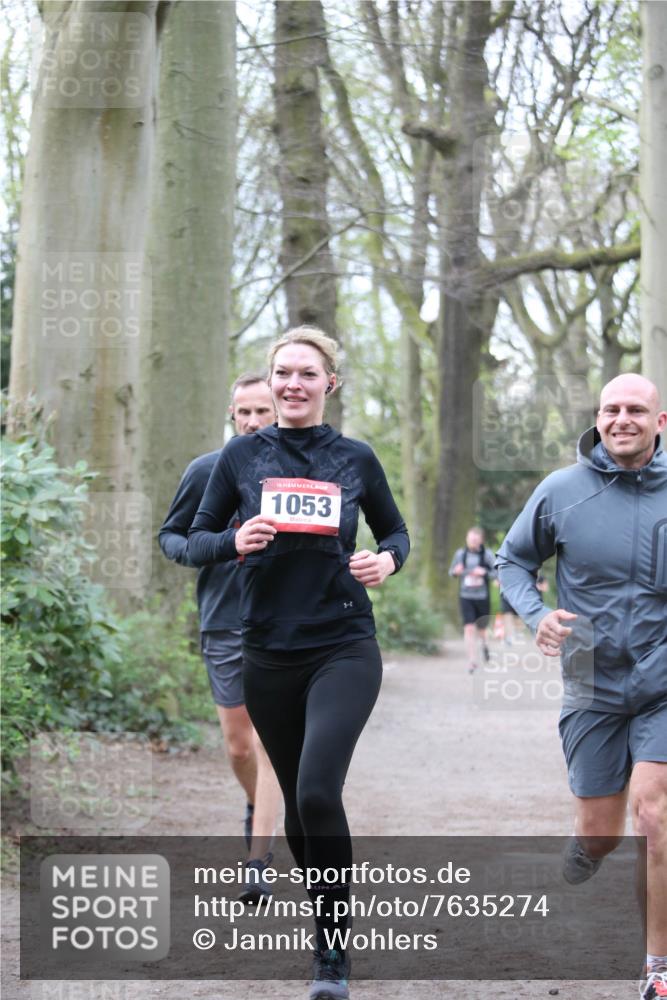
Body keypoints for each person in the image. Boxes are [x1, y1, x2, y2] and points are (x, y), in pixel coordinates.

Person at [187, 326, 409, 1000]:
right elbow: (192, 539)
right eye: (282, 372)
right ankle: (328, 916)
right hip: (266, 651)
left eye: (306, 374)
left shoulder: (355, 458)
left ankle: (331, 955)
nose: (291, 384)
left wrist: (386, 561)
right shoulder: (240, 458)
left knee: (316, 791)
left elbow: (394, 531)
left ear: (328, 384)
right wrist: (232, 539)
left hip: (342, 644)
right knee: (293, 805)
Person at [497, 373, 667, 1000]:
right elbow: (512, 560)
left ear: (660, 421)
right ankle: (590, 845)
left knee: (655, 812)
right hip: (592, 680)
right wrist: (538, 616)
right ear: (598, 418)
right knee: (603, 832)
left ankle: (658, 970)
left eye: (636, 410)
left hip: (664, 684)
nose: (623, 419)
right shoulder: (561, 492)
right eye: (611, 409)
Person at [159, 373, 283, 900]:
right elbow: (172, 539)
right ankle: (260, 806)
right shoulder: (207, 471)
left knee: (271, 742)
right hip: (224, 620)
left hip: (284, 623)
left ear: (279, 414)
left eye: (262, 412)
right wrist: (225, 545)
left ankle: (259, 857)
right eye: (243, 413)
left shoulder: (297, 473)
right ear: (231, 415)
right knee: (238, 747)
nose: (252, 422)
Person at [449, 526, 497, 672]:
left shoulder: (487, 555)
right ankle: (472, 660)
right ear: (467, 539)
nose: (473, 542)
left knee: (481, 629)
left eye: (476, 539)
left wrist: (484, 573)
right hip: (466, 596)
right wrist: (456, 572)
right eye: (470, 539)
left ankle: (484, 646)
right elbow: (451, 572)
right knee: (469, 628)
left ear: (481, 541)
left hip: (482, 597)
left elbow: (497, 572)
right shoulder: (460, 554)